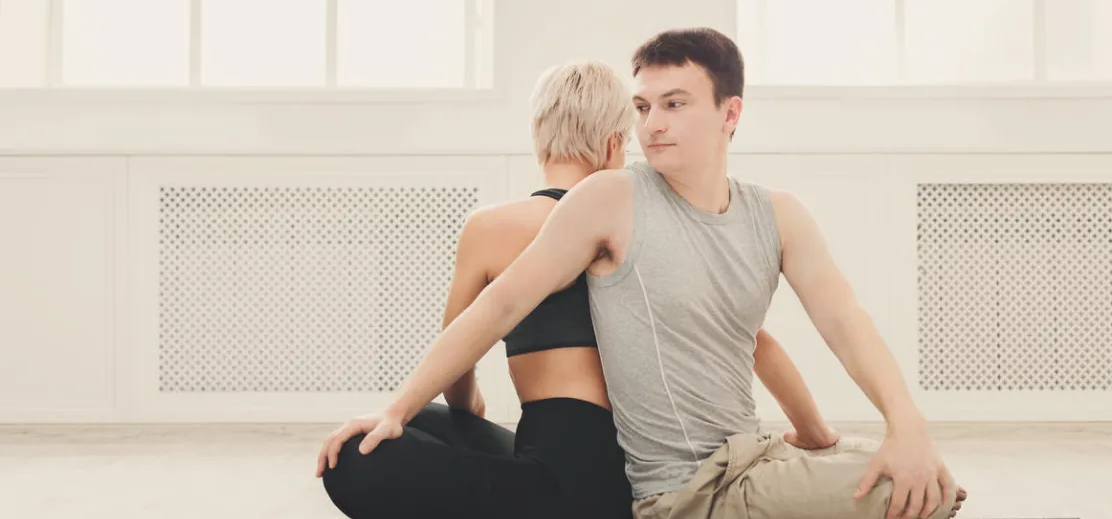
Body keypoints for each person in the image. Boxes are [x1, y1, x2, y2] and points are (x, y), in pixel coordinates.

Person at [315, 58, 839, 519]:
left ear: (539, 133)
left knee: (362, 453)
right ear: (616, 144)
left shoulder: (492, 226)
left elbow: (460, 359)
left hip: (566, 478)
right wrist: (814, 433)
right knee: (426, 419)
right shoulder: (639, 223)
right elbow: (754, 342)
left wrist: (462, 410)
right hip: (635, 468)